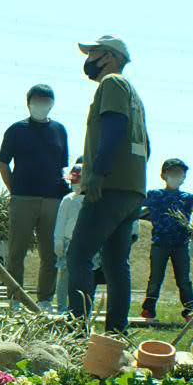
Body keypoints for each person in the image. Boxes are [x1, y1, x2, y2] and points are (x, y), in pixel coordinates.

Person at [66, 35, 149, 334]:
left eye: (94, 54)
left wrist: (98, 173)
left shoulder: (111, 83)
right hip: (131, 189)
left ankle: (77, 330)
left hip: (110, 186)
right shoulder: (132, 92)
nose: (88, 60)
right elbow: (145, 145)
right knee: (116, 265)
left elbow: (113, 127)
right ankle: (116, 333)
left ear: (110, 58)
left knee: (78, 256)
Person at [0, 83, 69, 309]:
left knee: (50, 253)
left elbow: (62, 166)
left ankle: (45, 299)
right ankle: (15, 298)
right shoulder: (17, 129)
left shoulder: (59, 130)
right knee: (17, 251)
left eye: (46, 101)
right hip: (23, 199)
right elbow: (2, 161)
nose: (41, 105)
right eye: (37, 101)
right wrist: (13, 189)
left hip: (52, 200)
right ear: (28, 103)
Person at [139, 159, 193, 321]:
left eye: (179, 173)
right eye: (172, 172)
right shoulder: (155, 195)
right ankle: (148, 310)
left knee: (184, 280)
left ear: (184, 177)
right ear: (163, 175)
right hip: (159, 244)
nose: (175, 176)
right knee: (155, 278)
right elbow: (135, 201)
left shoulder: (187, 198)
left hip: (181, 245)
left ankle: (189, 311)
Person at [52, 159, 84, 313]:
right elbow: (60, 222)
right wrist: (58, 241)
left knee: (82, 277)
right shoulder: (67, 199)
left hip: (84, 243)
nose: (75, 184)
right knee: (64, 275)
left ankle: (80, 306)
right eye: (74, 181)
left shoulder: (92, 200)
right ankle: (61, 307)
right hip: (67, 242)